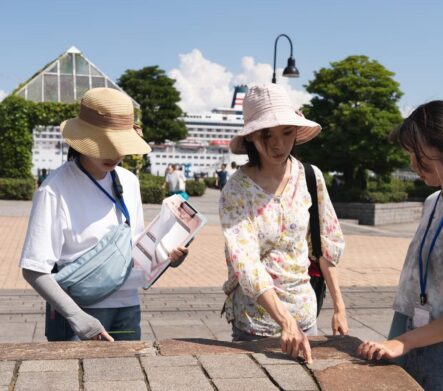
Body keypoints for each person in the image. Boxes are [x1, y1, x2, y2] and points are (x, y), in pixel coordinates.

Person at [19, 88, 188, 342]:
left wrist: (167, 258)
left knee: (126, 380)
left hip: (129, 306)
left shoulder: (129, 181)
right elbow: (33, 269)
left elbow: (136, 247)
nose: (116, 154)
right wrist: (78, 318)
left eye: (121, 145)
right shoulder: (54, 189)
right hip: (78, 312)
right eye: (107, 144)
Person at [357, 101, 443, 390]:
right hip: (418, 343)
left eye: (419, 157)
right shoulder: (434, 201)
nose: (412, 165)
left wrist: (402, 342)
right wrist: (400, 340)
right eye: (410, 155)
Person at [220, 84, 348, 364]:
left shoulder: (310, 177)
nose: (279, 144)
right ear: (252, 135)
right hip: (255, 324)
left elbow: (324, 244)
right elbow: (245, 262)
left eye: (287, 133)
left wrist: (339, 305)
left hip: (305, 315)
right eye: (268, 135)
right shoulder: (237, 189)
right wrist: (284, 321)